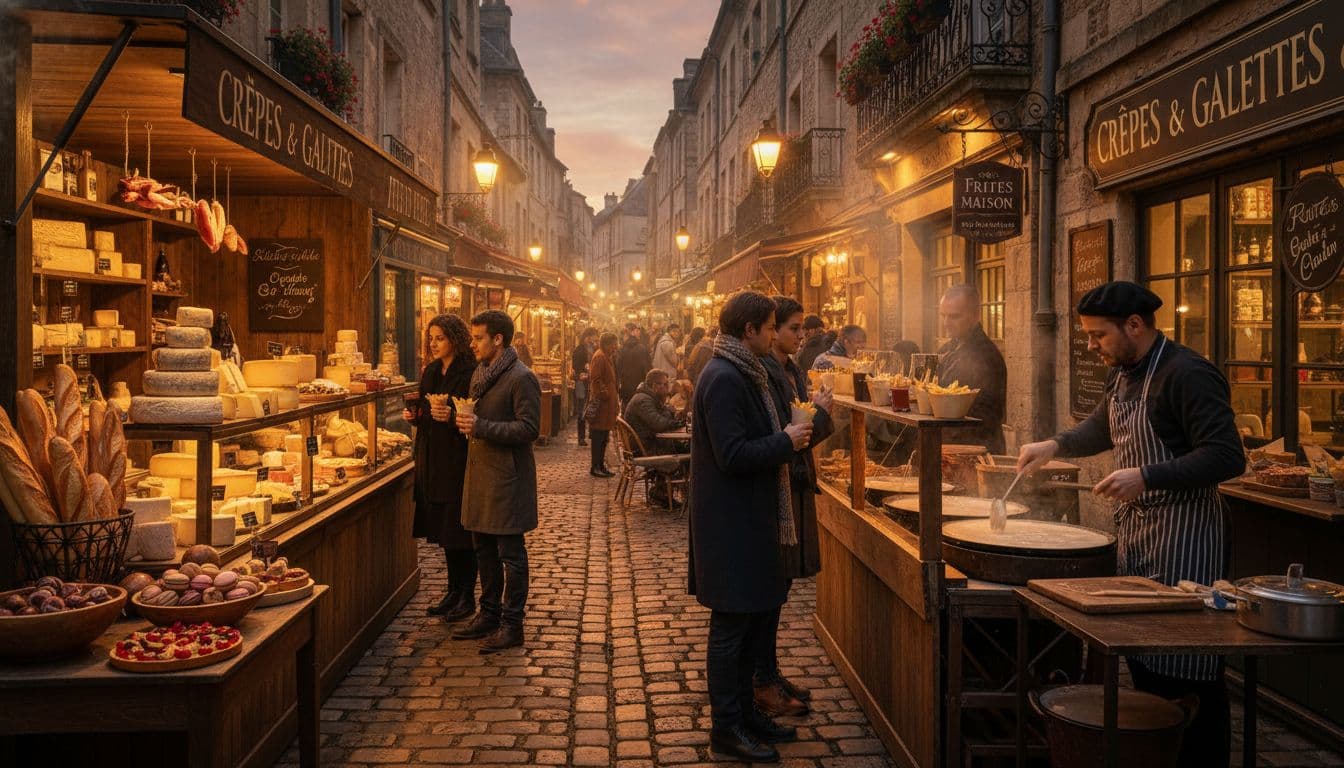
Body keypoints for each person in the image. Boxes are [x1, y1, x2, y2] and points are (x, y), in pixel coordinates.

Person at [1017, 281, 1245, 768]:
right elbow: (1101, 426)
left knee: (1189, 669)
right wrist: (1053, 446)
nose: (1092, 346)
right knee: (1144, 661)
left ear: (1134, 326)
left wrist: (1148, 475)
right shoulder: (1123, 373)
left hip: (1187, 538)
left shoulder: (1187, 374)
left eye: (1099, 336)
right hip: (1141, 535)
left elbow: (1228, 456)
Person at [689, 291, 814, 763]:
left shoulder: (748, 371)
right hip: (730, 525)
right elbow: (733, 454)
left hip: (751, 520)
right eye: (769, 327)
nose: (774, 333)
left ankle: (746, 713)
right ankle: (726, 727)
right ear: (750, 331)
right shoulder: (723, 377)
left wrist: (794, 432)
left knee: (749, 625)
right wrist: (784, 441)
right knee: (730, 629)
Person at [757, 296, 834, 718]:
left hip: (798, 483)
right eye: (790, 327)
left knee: (780, 591)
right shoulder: (770, 373)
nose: (798, 334)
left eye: (800, 327)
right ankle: (763, 679)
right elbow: (789, 437)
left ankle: (770, 672)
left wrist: (816, 412)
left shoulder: (791, 369)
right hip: (785, 485)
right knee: (772, 590)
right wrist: (819, 415)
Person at [453, 310, 541, 653]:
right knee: (483, 549)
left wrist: (481, 427)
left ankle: (512, 624)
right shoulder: (480, 373)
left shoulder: (521, 378)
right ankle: (488, 614)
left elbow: (529, 429)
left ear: (498, 339)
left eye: (478, 338)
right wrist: (457, 420)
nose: (472, 344)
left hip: (507, 478)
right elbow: (476, 418)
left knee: (511, 554)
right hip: (480, 474)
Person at [406, 314, 479, 622]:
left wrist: (449, 415)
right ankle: (453, 590)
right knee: (444, 532)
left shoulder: (470, 371)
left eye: (440, 338)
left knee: (460, 531)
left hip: (458, 458)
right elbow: (424, 409)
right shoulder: (432, 371)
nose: (433, 344)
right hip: (434, 458)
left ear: (455, 339)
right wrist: (417, 417)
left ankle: (467, 595)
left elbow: (473, 412)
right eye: (431, 338)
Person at [936, 285, 1007, 454]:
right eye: (943, 316)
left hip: (975, 451)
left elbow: (982, 417)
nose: (946, 323)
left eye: (954, 317)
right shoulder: (947, 349)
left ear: (975, 316)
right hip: (947, 445)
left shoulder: (986, 356)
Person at [623, 369, 687, 508]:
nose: (665, 388)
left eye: (666, 384)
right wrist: (670, 414)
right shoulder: (643, 400)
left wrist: (667, 410)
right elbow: (658, 424)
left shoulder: (649, 398)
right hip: (644, 448)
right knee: (683, 452)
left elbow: (661, 420)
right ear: (653, 385)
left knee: (684, 448)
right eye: (662, 385)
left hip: (647, 443)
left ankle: (670, 490)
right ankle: (661, 492)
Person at [586, 332, 620, 478]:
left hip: (607, 406)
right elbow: (596, 380)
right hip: (602, 405)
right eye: (613, 344)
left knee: (604, 436)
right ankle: (596, 466)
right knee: (598, 436)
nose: (615, 347)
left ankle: (601, 465)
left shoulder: (606, 357)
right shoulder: (600, 357)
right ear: (607, 344)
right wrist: (605, 394)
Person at [571, 328, 598, 447]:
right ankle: (581, 438)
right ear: (588, 336)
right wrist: (582, 371)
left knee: (591, 407)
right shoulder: (579, 349)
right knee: (581, 409)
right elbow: (575, 366)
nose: (595, 338)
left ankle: (591, 434)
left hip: (590, 381)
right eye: (594, 336)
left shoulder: (593, 348)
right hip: (581, 382)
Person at [617, 326, 651, 404]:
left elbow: (618, 367)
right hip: (640, 384)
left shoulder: (622, 349)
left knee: (627, 405)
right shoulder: (642, 348)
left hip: (626, 384)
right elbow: (648, 366)